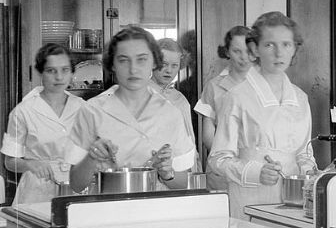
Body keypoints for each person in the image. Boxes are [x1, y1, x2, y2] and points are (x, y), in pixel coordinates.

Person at [209, 12, 317, 219]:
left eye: (286, 44)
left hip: (294, 201)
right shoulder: (237, 97)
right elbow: (218, 159)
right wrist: (255, 172)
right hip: (251, 199)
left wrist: (309, 172)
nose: (279, 53)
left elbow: (304, 153)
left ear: (294, 49)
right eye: (269, 45)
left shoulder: (300, 98)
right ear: (254, 49)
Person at [66, 25, 195, 193]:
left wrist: (166, 172)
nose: (133, 69)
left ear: (154, 62)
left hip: (155, 212)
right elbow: (76, 184)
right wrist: (91, 158)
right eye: (123, 60)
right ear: (112, 64)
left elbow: (181, 183)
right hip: (106, 212)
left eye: (141, 59)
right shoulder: (92, 110)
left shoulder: (171, 113)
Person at [2, 43, 84, 203]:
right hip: (36, 191)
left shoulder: (83, 108)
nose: (59, 77)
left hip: (75, 187)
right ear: (40, 72)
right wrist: (31, 165)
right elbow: (9, 162)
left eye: (65, 70)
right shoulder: (23, 111)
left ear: (72, 73)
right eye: (51, 70)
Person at [194, 25, 254, 189]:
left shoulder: (265, 85)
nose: (243, 57)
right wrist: (225, 160)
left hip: (255, 166)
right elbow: (208, 133)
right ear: (227, 51)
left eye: (248, 51)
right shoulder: (214, 86)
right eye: (237, 51)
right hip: (221, 168)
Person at [153, 37, 200, 171]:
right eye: (164, 64)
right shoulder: (141, 94)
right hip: (155, 165)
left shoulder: (180, 98)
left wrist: (195, 162)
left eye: (174, 65)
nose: (169, 70)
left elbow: (189, 136)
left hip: (182, 166)